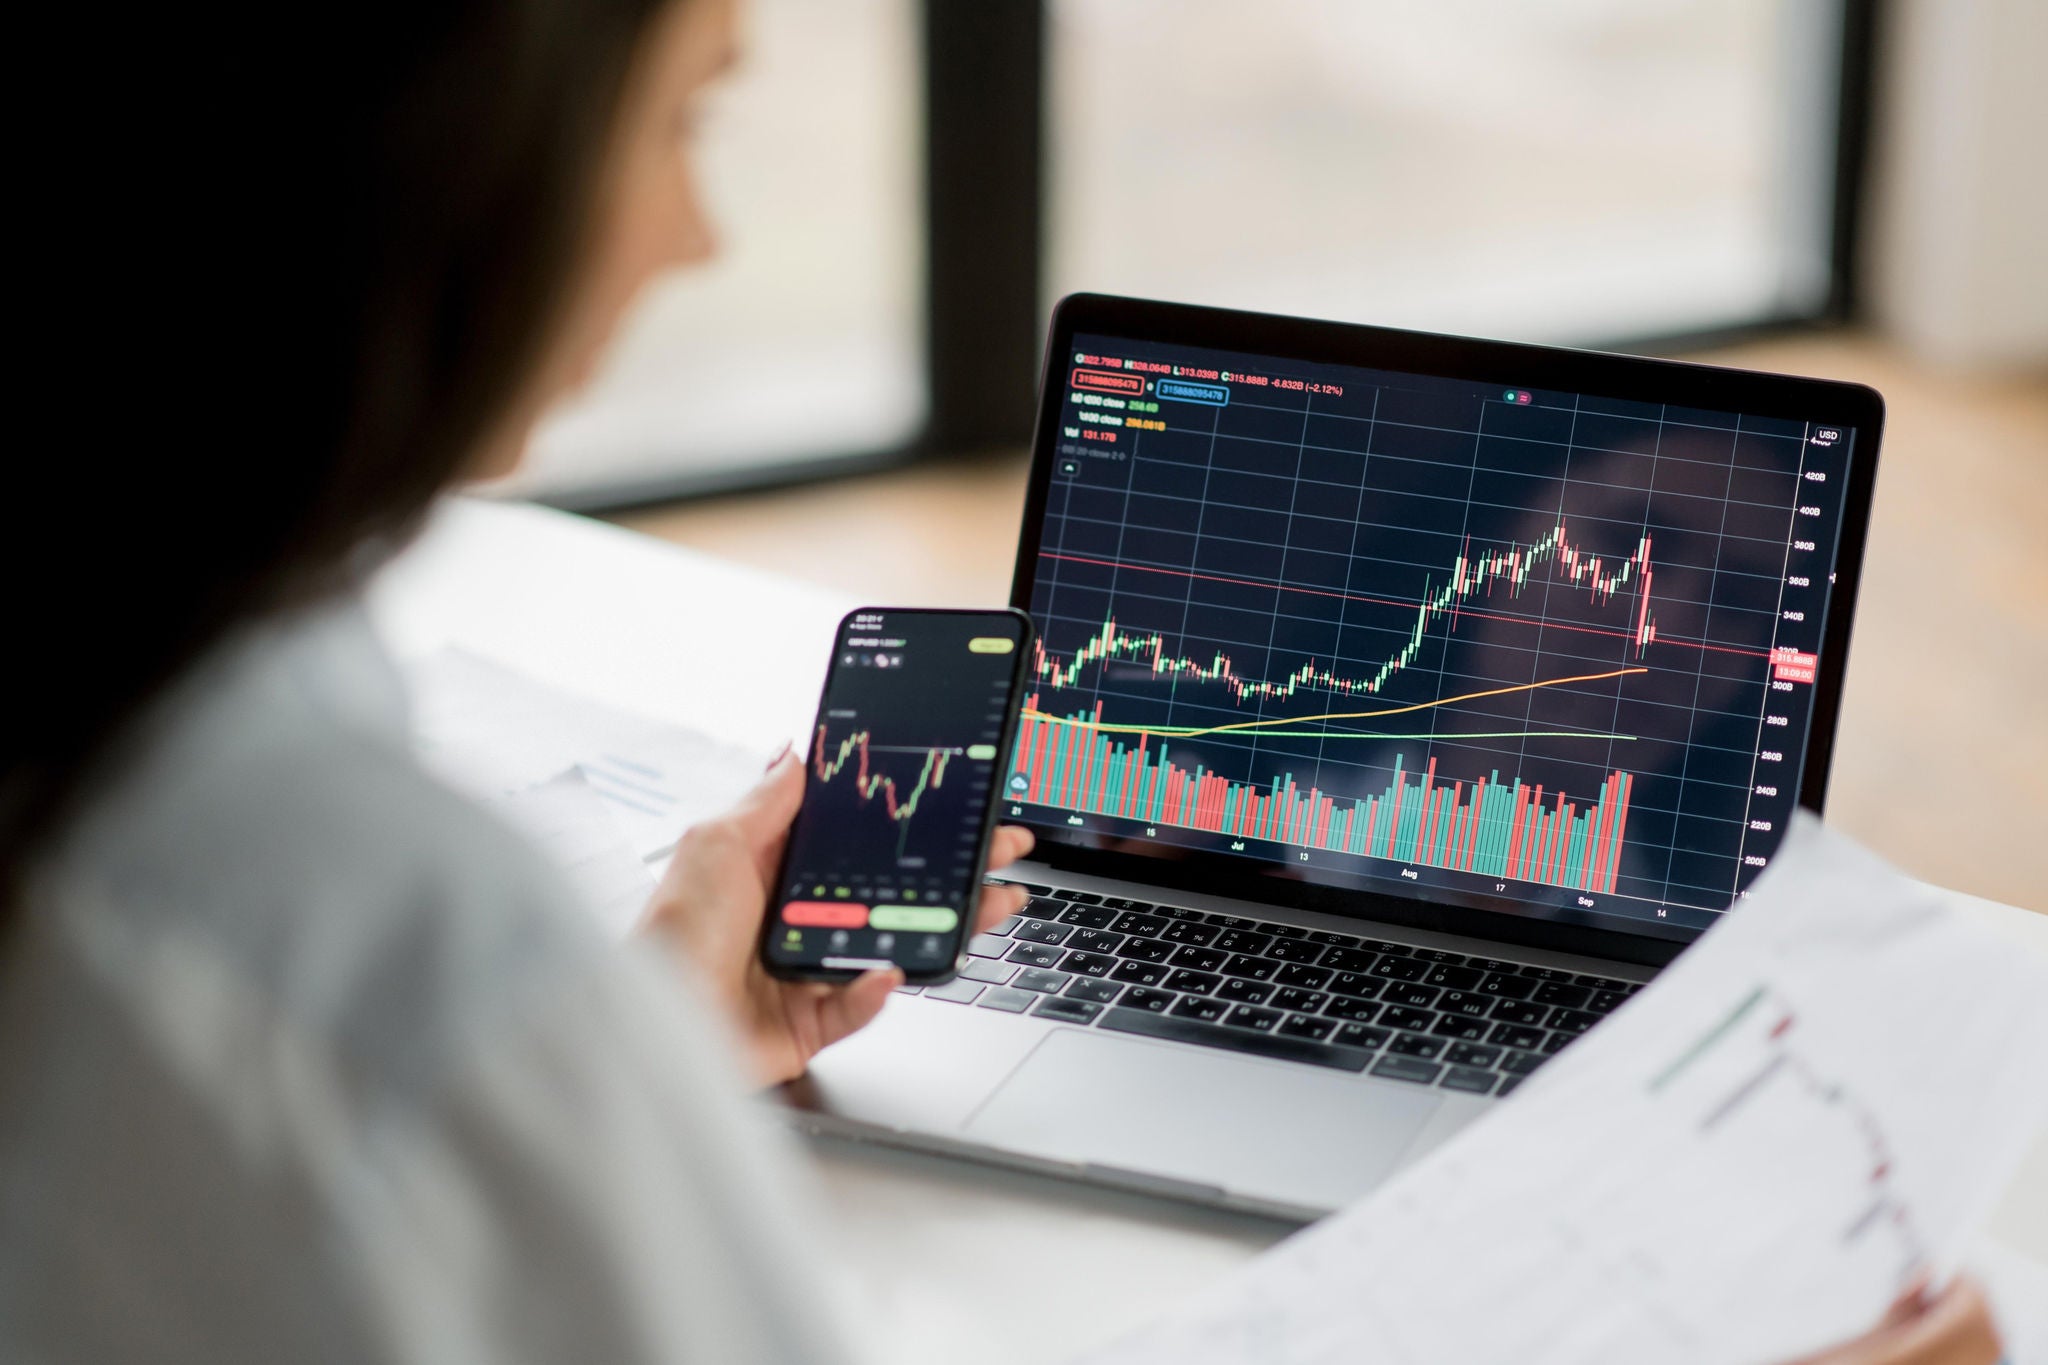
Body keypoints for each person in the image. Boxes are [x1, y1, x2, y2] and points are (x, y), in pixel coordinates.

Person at [0, 1, 2005, 1361]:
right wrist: (568, 1065)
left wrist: (637, 1037)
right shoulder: (381, 947)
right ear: (458, 147)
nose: (699, 234)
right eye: (689, 109)